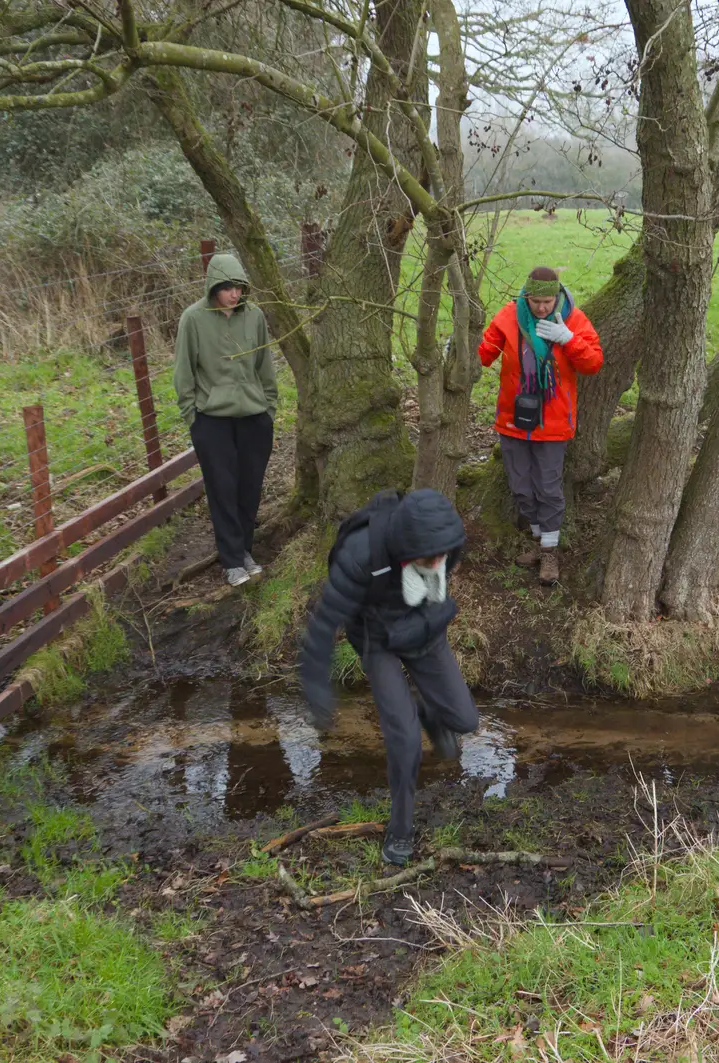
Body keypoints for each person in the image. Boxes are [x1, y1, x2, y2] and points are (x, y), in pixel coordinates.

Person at [299, 488, 478, 866]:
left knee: (465, 720)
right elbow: (322, 627)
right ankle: (400, 829)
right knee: (404, 740)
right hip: (378, 640)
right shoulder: (360, 556)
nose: (441, 561)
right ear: (406, 549)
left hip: (425, 630)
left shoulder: (443, 543)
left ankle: (430, 715)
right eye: (431, 557)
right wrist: (316, 689)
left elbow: (437, 582)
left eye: (444, 554)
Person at [478, 265, 603, 584]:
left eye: (548, 301)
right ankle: (537, 541)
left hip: (554, 420)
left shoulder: (573, 318)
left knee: (548, 488)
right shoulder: (508, 317)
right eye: (536, 302)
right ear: (526, 296)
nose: (543, 307)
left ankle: (550, 552)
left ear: (557, 295)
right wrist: (459, 348)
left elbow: (593, 364)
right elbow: (484, 354)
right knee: (521, 487)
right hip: (514, 418)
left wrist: (568, 339)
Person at [174, 253, 278, 587]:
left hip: (253, 418)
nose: (234, 293)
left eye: (239, 287)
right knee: (222, 489)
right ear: (213, 287)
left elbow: (264, 364)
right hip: (212, 421)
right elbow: (184, 372)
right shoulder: (193, 319)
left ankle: (245, 551)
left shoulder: (255, 316)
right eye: (228, 287)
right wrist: (194, 418)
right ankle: (232, 561)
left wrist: (269, 408)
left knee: (249, 487)